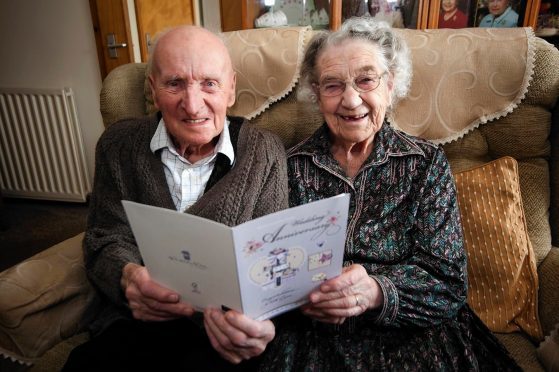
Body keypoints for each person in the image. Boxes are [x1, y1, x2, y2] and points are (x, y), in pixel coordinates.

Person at [254, 17, 522, 371]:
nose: (351, 100)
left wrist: (377, 291)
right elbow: (269, 266)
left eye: (366, 79)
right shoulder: (289, 166)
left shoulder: (424, 163)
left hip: (409, 333)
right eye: (333, 85)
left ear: (390, 84)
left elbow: (448, 282)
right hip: (314, 332)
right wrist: (299, 297)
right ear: (316, 95)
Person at [62, 25, 287, 371]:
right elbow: (104, 236)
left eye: (209, 84)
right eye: (175, 83)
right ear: (153, 90)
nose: (193, 105)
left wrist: (256, 321)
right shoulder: (118, 145)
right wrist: (127, 278)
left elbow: (272, 260)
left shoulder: (265, 152)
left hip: (220, 332)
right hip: (135, 324)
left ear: (231, 89)